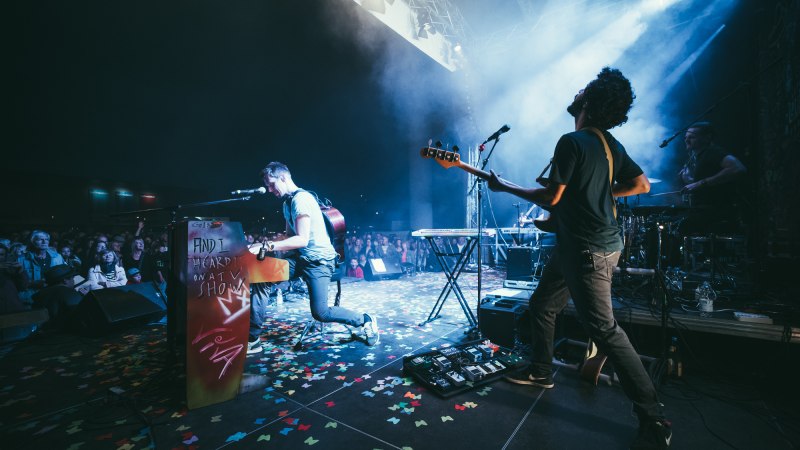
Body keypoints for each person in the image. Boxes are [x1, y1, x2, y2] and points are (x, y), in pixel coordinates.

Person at [487, 68, 671, 448]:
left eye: (584, 88)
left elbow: (552, 198)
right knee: (542, 304)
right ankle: (541, 371)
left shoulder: (571, 141)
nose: (577, 90)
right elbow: (641, 184)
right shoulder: (608, 144)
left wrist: (501, 184)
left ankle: (654, 416)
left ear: (589, 101)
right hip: (583, 245)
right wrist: (597, 195)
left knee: (605, 330)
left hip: (587, 250)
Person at [246, 162, 379, 354]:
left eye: (271, 184)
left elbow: (301, 239)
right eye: (267, 186)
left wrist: (267, 246)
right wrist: (265, 248)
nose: (269, 190)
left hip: (319, 262)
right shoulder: (287, 203)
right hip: (301, 259)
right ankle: (253, 339)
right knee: (262, 276)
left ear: (283, 177)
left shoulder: (302, 199)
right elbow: (290, 237)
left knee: (321, 313)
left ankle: (365, 320)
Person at [678, 121, 747, 234]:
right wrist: (689, 180)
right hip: (701, 211)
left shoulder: (713, 152)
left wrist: (700, 183)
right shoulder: (694, 157)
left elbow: (738, 168)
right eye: (686, 137)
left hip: (717, 213)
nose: (687, 140)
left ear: (707, 138)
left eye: (692, 137)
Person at [18, 230, 65, 305]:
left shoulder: (57, 257)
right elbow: (14, 283)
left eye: (46, 239)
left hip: (53, 298)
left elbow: (65, 276)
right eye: (40, 239)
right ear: (32, 241)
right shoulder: (21, 259)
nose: (44, 242)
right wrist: (32, 283)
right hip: (31, 299)